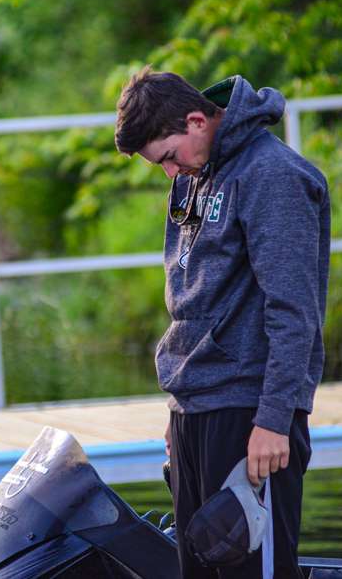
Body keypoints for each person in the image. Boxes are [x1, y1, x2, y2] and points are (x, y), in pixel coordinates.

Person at [114, 67, 330, 578]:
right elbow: (190, 301)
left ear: (195, 120)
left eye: (168, 157)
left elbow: (293, 312)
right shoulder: (196, 173)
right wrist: (180, 412)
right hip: (195, 414)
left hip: (252, 415)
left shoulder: (273, 176)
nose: (170, 173)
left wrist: (275, 419)